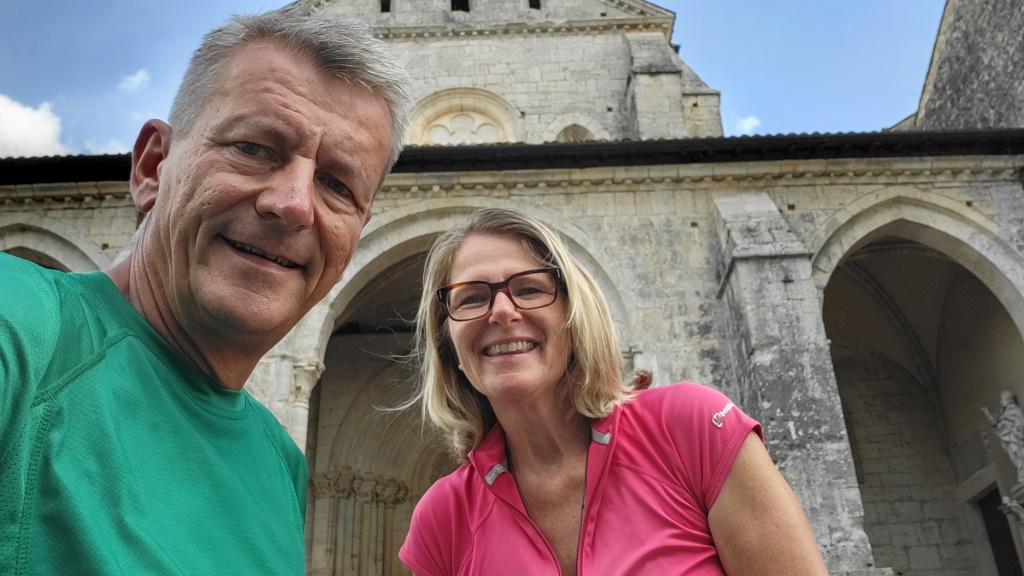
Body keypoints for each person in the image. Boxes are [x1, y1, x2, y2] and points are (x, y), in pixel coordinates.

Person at [0, 6, 410, 575]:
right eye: (254, 148)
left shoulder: (280, 464)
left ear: (353, 239)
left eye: (338, 185)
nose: (293, 205)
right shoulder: (20, 324)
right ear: (153, 167)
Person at [399, 208, 827, 575]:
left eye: (529, 289)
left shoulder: (694, 428)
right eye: (471, 298)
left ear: (573, 316)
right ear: (448, 342)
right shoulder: (442, 518)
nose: (502, 311)